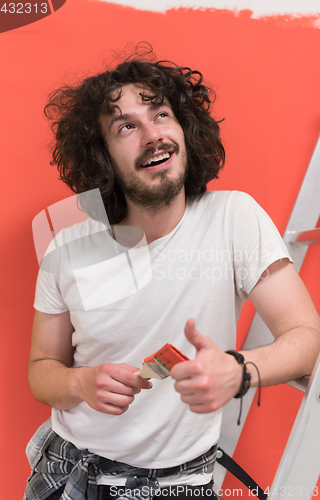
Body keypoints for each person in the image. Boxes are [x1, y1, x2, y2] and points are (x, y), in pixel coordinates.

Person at [24, 46, 320, 500]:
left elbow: (306, 336)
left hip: (178, 485)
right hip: (67, 470)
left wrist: (239, 369)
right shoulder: (66, 247)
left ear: (184, 128)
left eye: (160, 115)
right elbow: (42, 368)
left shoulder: (233, 217)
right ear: (102, 156)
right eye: (126, 126)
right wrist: (78, 382)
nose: (151, 135)